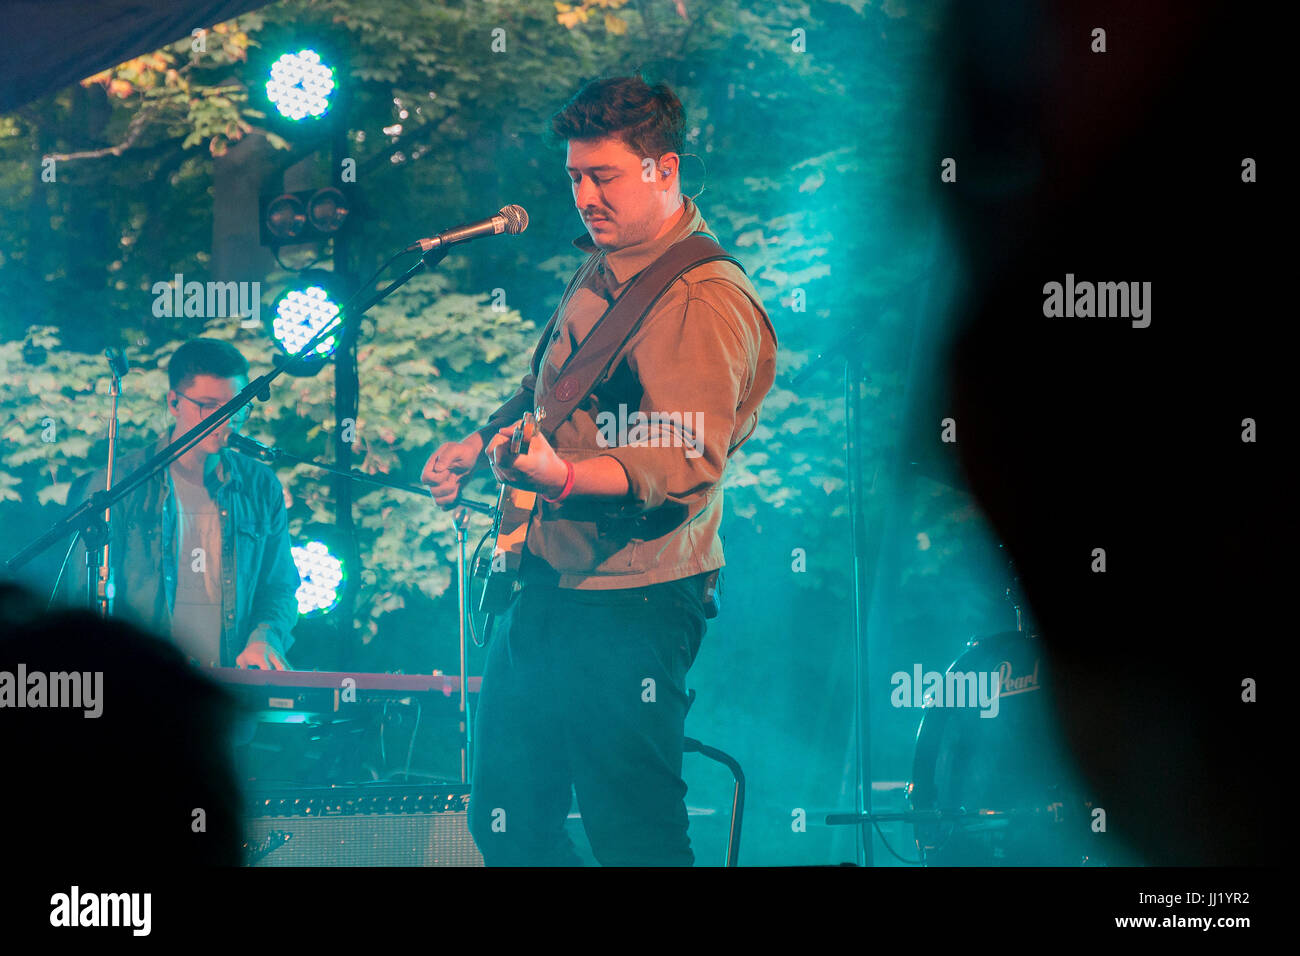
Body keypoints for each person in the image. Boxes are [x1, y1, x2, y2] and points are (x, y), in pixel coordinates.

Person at [422, 75, 778, 865]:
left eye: (604, 175)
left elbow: (681, 458)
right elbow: (551, 391)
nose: (585, 195)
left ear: (665, 169)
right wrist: (481, 445)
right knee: (509, 823)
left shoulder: (699, 299)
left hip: (633, 600)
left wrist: (563, 479)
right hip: (547, 584)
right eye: (576, 177)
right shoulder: (605, 264)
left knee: (635, 837)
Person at [59, 338, 299, 671]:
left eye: (238, 405)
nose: (226, 418)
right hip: (143, 687)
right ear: (174, 402)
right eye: (208, 405)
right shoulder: (116, 484)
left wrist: (265, 637)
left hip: (229, 688)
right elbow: (83, 604)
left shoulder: (261, 486)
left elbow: (280, 586)